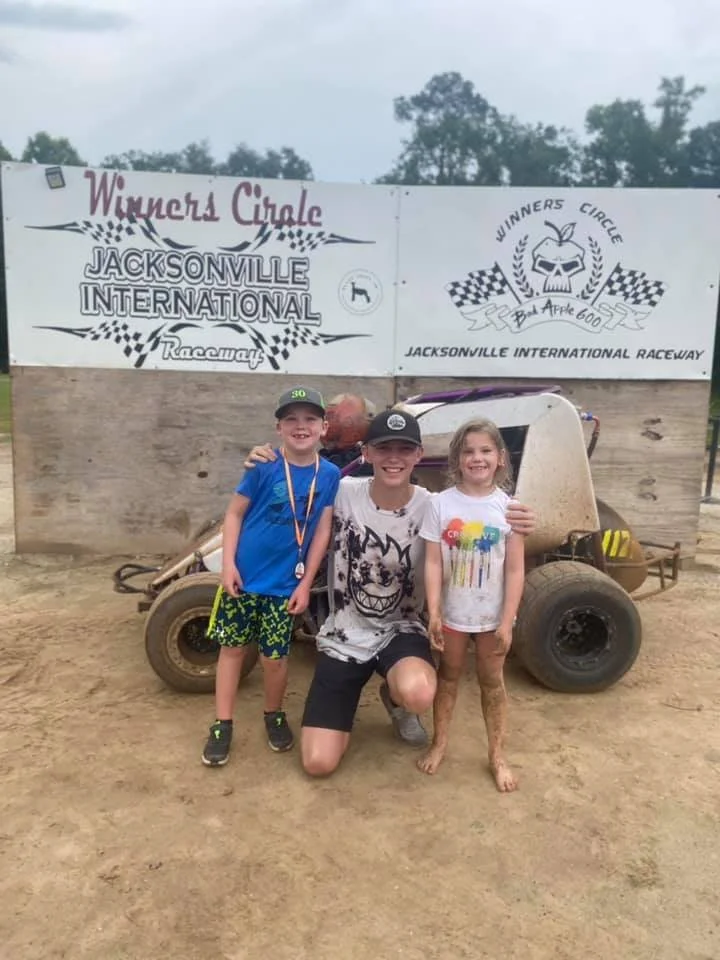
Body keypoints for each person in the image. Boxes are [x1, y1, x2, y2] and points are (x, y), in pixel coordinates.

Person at [245, 406, 535, 778]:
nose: (393, 458)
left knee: (419, 692)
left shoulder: (435, 505)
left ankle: (396, 698)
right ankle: (345, 700)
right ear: (366, 452)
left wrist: (524, 517)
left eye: (404, 449)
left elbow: (481, 512)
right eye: (383, 448)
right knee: (318, 763)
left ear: (418, 455)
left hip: (401, 631)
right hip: (346, 633)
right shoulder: (341, 491)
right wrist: (267, 460)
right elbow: (296, 481)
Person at [201, 386, 340, 767]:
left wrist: (306, 583)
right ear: (278, 428)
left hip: (285, 587)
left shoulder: (329, 475)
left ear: (324, 427)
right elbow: (234, 514)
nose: (301, 426)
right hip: (243, 581)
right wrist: (228, 565)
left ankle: (273, 714)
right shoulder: (263, 465)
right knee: (231, 651)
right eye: (291, 419)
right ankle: (222, 723)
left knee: (275, 659)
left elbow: (323, 531)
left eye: (310, 419)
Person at [417, 418, 524, 792]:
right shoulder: (440, 504)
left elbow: (515, 569)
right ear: (457, 459)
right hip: (453, 615)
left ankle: (497, 755)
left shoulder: (510, 509)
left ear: (500, 458)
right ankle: (439, 743)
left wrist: (507, 620)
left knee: (492, 681)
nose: (477, 458)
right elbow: (433, 562)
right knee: (447, 675)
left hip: (492, 617)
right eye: (468, 451)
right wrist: (434, 611)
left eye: (485, 450)